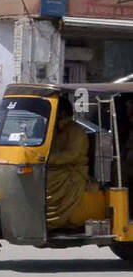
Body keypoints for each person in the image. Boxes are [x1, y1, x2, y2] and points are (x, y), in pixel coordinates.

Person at [45, 96, 94, 228]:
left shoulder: (76, 131)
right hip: (58, 168)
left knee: (45, 178)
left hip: (71, 172)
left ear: (62, 113)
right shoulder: (54, 130)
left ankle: (51, 219)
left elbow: (73, 155)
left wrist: (50, 159)